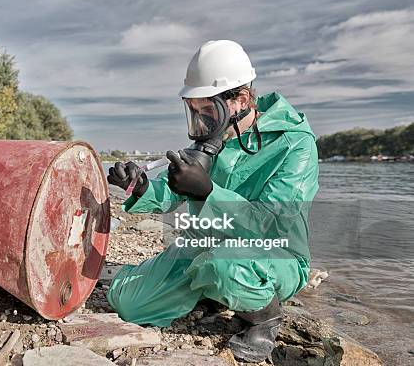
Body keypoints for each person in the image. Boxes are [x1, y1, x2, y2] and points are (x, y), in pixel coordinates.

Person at [106, 40, 319, 363]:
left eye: (208, 111)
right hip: (204, 245)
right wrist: (139, 187)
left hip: (276, 253)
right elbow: (169, 191)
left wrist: (208, 193)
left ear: (241, 100)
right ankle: (211, 289)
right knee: (128, 302)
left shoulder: (296, 147)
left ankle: (266, 317)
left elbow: (272, 223)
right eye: (195, 111)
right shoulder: (215, 139)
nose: (201, 121)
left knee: (222, 266)